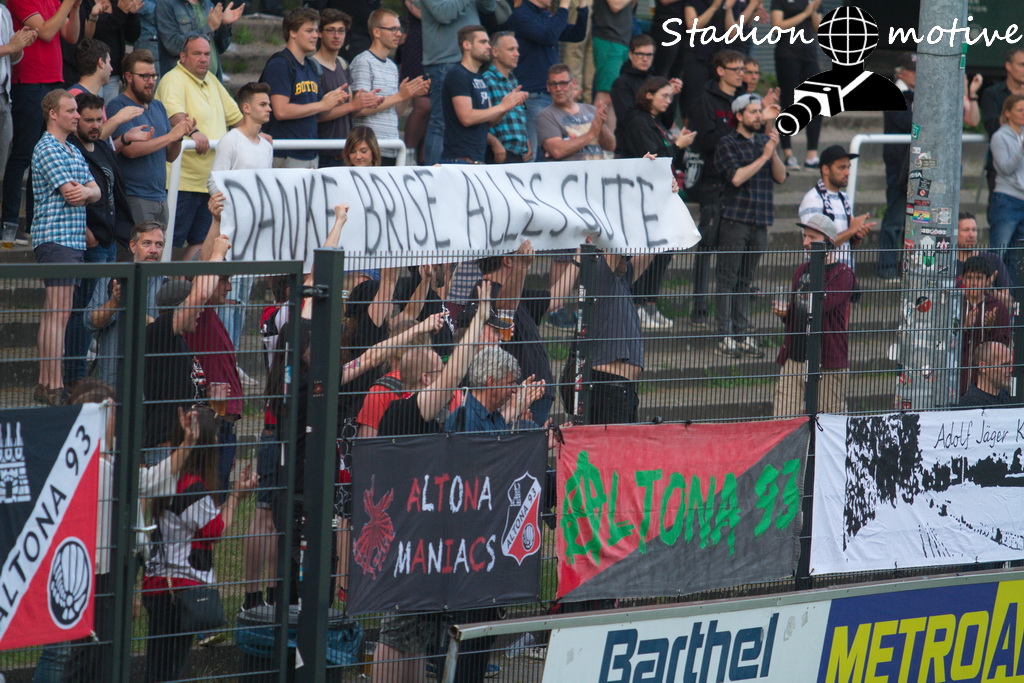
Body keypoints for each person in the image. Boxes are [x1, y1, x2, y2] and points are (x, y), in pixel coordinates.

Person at [140, 407, 257, 683]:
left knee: (159, 666)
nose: (218, 441)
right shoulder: (193, 487)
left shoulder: (170, 478)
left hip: (157, 585)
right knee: (169, 669)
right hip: (178, 591)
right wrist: (235, 498)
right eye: (214, 436)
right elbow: (215, 531)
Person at [30, 89, 101, 407]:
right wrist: (86, 192)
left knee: (57, 313)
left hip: (70, 241)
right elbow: (73, 192)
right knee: (57, 314)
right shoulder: (47, 147)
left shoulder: (71, 149)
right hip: (55, 238)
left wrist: (86, 192)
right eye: (70, 110)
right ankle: (52, 384)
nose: (77, 115)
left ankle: (49, 384)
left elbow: (94, 190)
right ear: (53, 114)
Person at [64, 92, 138, 388]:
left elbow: (114, 191)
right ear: (76, 120)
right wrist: (88, 234)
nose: (95, 125)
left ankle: (83, 377)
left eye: (99, 119)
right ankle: (74, 379)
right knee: (83, 313)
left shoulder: (102, 147)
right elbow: (68, 196)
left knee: (98, 310)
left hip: (108, 241)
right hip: (91, 243)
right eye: (89, 120)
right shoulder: (70, 149)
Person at [617, 77, 695, 330]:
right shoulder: (637, 120)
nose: (668, 101)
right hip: (639, 196)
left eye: (671, 97)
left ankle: (649, 302)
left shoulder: (655, 122)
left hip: (658, 195)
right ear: (648, 95)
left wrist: (677, 146)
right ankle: (636, 303)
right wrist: (677, 145)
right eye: (665, 95)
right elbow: (653, 159)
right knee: (643, 251)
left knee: (663, 250)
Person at [155, 34, 241, 261]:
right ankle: (162, 283)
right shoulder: (172, 79)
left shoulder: (212, 79)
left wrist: (255, 134)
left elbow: (237, 117)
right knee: (169, 242)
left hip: (209, 182)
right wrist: (193, 132)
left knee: (201, 242)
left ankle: (185, 284)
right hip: (180, 181)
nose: (203, 59)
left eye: (206, 54)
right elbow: (174, 115)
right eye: (197, 53)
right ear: (183, 57)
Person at [713, 92, 787, 359]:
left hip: (760, 220)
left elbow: (781, 177)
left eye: (760, 112)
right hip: (735, 219)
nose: (758, 116)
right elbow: (736, 178)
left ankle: (741, 332)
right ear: (739, 115)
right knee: (727, 278)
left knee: (745, 280)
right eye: (753, 112)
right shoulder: (727, 143)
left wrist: (772, 151)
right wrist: (763, 156)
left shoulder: (764, 142)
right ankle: (724, 334)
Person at [142, 233, 230, 453]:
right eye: (194, 308)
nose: (199, 312)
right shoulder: (159, 334)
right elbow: (200, 294)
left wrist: (204, 395)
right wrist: (217, 254)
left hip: (184, 444)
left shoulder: (181, 341)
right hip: (164, 446)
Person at [2, 0, 77, 246]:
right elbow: (45, 32)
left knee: (43, 154)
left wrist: (75, 8)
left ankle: (35, 224)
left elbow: (71, 36)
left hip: (53, 80)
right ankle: (10, 223)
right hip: (29, 82)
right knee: (23, 155)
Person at [771, 214, 855, 417]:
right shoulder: (801, 270)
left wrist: (796, 306)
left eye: (812, 237)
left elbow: (821, 305)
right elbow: (798, 312)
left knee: (829, 420)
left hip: (827, 361)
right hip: (795, 357)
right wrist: (786, 312)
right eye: (805, 236)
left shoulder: (843, 274)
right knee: (783, 420)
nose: (805, 242)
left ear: (829, 242)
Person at [688, 49, 745, 327]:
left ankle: (732, 308)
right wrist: (738, 124)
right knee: (707, 242)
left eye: (743, 69)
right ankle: (699, 305)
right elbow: (706, 140)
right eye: (736, 69)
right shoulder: (705, 100)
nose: (741, 75)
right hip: (712, 180)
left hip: (740, 182)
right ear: (720, 71)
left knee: (734, 246)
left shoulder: (744, 99)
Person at [108, 49, 192, 232]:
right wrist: (170, 136)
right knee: (137, 249)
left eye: (153, 76)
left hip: (160, 196)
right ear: (128, 77)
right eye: (144, 76)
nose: (151, 81)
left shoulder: (158, 106)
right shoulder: (118, 106)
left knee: (156, 249)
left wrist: (179, 135)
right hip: (135, 196)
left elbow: (170, 156)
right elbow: (130, 150)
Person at [84, 221, 168, 389]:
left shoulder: (168, 286)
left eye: (159, 245)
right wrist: (114, 302)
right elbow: (90, 322)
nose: (153, 250)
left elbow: (176, 333)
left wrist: (149, 322)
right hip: (113, 377)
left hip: (154, 378)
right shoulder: (110, 280)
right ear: (133, 246)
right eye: (147, 243)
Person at [260, 8, 348, 169]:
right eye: (309, 31)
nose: (315, 35)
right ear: (292, 32)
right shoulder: (280, 64)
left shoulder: (311, 66)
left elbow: (319, 114)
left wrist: (332, 101)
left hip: (310, 152)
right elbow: (281, 111)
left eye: (316, 30)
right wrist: (321, 104)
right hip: (285, 152)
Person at [505, 0, 588, 158]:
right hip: (533, 94)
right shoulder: (521, 15)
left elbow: (577, 34)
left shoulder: (546, 16)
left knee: (553, 150)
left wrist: (582, 6)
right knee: (534, 152)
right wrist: (564, 6)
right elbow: (548, 36)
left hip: (552, 94)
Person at [419, 0, 496, 165]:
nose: (488, 46)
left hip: (471, 66)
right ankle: (434, 174)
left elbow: (489, 7)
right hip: (444, 61)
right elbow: (442, 14)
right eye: (484, 42)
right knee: (441, 124)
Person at [350, 7, 428, 165]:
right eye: (393, 29)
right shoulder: (363, 61)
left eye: (399, 29)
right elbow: (359, 109)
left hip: (391, 146)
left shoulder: (392, 66)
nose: (398, 34)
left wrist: (408, 95)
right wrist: (400, 96)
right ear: (376, 32)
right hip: (368, 149)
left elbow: (396, 112)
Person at [442, 24, 527, 164]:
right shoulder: (457, 74)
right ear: (467, 45)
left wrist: (507, 106)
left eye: (488, 42)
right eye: (482, 42)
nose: (488, 46)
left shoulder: (479, 77)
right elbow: (466, 117)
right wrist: (501, 107)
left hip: (477, 158)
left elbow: (487, 122)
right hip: (460, 158)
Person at [313, 8, 378, 168]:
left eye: (341, 31)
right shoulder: (312, 67)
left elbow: (350, 109)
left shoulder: (342, 65)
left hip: (344, 153)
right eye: (331, 30)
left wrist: (365, 103)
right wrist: (353, 105)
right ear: (319, 33)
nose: (337, 36)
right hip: (321, 153)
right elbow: (316, 115)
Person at [797, 145, 875, 269]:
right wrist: (852, 230)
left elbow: (847, 246)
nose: (847, 173)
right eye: (841, 167)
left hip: (845, 273)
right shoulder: (813, 199)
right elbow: (814, 245)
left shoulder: (845, 198)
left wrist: (856, 236)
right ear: (825, 169)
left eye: (848, 167)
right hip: (822, 276)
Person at [771, 0, 821, 169]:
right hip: (787, 52)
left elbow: (818, 27)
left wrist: (812, 10)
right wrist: (805, 13)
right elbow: (777, 26)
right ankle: (787, 153)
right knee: (788, 101)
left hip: (809, 53)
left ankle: (811, 155)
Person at [878, 51, 915, 280]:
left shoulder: (915, 94)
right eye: (913, 71)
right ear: (901, 73)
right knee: (894, 218)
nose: (917, 75)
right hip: (898, 165)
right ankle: (887, 268)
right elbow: (907, 121)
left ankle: (904, 267)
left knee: (912, 219)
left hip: (913, 163)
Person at [536, 63, 614, 161]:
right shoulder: (546, 116)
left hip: (598, 168)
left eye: (563, 83)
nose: (558, 89)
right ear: (548, 86)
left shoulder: (591, 109)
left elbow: (610, 146)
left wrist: (601, 126)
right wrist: (591, 134)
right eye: (554, 84)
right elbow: (557, 151)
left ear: (573, 83)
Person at [959, 255, 1011, 397]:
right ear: (963, 279)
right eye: (970, 278)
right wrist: (965, 328)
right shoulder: (956, 306)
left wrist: (990, 329)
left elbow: (1003, 349)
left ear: (987, 281)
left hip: (986, 387)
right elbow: (949, 346)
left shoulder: (998, 308)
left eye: (979, 278)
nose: (974, 283)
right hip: (957, 381)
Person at [609, 34, 679, 141]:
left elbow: (666, 123)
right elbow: (627, 120)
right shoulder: (621, 83)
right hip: (630, 144)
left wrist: (670, 96)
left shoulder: (656, 82)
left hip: (655, 141)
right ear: (631, 55)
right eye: (640, 54)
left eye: (649, 55)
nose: (645, 59)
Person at [155, 0, 242, 77]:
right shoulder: (166, 3)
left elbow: (220, 47)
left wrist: (224, 25)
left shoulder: (207, 3)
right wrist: (209, 27)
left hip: (213, 80)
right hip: (184, 82)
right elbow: (172, 45)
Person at [988, 93, 1024, 268]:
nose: (1023, 114)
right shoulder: (999, 137)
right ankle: (991, 284)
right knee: (998, 251)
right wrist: (1021, 151)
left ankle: (1011, 286)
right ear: (1008, 112)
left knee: (1017, 257)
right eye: (1020, 110)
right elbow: (1005, 168)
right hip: (1006, 199)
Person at [482, 31, 530, 163]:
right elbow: (479, 121)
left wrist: (526, 141)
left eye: (517, 49)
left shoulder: (513, 81)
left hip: (518, 155)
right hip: (497, 154)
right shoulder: (486, 80)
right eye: (511, 49)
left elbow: (518, 117)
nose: (517, 54)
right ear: (495, 52)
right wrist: (493, 142)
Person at [980, 47, 1024, 192]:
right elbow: (991, 126)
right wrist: (1015, 103)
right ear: (1008, 66)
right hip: (1001, 169)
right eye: (1022, 65)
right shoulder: (993, 93)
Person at [590, 0, 635, 136]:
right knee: (605, 94)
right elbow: (615, 5)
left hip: (621, 41)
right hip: (609, 40)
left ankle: (610, 141)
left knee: (614, 96)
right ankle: (592, 139)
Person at [955, 211, 1013, 308]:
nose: (971, 235)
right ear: (955, 233)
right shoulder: (947, 262)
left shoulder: (993, 260)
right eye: (966, 230)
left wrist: (990, 290)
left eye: (974, 230)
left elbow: (1009, 302)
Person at [958, 341, 1015, 408]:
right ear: (983, 367)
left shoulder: (1005, 396)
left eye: (1011, 365)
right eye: (1005, 365)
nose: (1011, 369)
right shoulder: (971, 403)